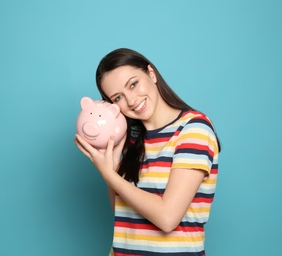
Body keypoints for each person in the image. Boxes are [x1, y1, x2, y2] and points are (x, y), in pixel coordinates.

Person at [74, 48, 221, 256]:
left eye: (133, 84)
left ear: (151, 74)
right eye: (118, 98)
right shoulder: (131, 138)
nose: (132, 100)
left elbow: (167, 218)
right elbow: (123, 214)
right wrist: (114, 166)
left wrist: (108, 175)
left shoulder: (194, 128)